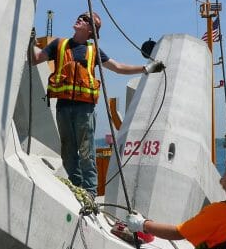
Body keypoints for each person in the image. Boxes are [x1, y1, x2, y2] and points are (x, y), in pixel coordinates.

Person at [32, 11, 164, 198]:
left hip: (84, 109)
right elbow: (36, 58)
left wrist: (145, 68)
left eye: (86, 19)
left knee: (86, 152)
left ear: (91, 30)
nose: (80, 18)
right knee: (68, 152)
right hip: (63, 107)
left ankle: (90, 193)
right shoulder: (59, 45)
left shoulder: (93, 51)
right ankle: (75, 189)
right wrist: (29, 41)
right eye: (80, 16)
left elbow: (118, 67)